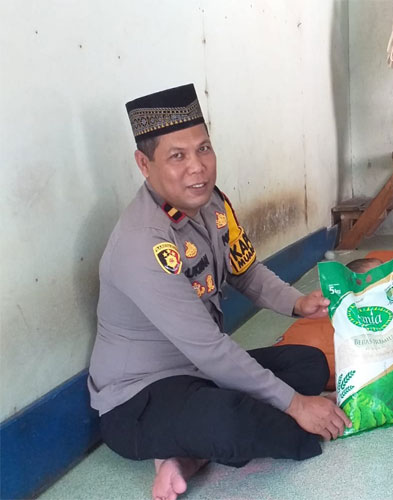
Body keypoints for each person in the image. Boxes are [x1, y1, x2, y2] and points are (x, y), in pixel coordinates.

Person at [88, 84, 350, 500]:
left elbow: (246, 272)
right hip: (139, 399)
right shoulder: (143, 243)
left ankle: (184, 456)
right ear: (144, 164)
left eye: (204, 149)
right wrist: (297, 405)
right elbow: (210, 348)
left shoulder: (213, 205)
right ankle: (190, 445)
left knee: (309, 364)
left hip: (199, 374)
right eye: (177, 156)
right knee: (233, 422)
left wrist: (297, 303)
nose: (198, 167)